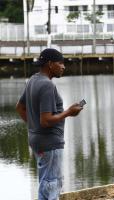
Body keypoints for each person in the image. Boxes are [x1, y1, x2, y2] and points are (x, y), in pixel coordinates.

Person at [15, 48, 83, 200]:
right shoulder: (47, 85)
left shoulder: (33, 79)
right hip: (50, 143)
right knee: (52, 183)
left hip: (38, 141)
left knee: (46, 181)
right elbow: (46, 121)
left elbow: (19, 108)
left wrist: (34, 128)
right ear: (50, 64)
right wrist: (69, 112)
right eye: (61, 63)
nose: (63, 67)